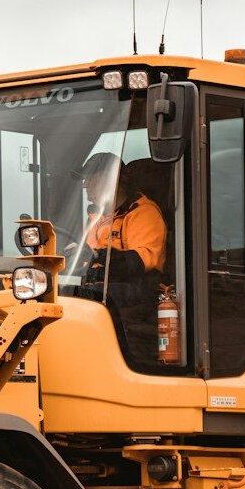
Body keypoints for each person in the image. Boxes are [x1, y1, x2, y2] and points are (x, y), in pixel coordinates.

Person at [74, 152, 168, 364]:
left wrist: (102, 258)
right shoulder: (97, 218)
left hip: (137, 295)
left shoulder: (143, 212)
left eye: (91, 177)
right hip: (102, 291)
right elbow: (86, 255)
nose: (86, 185)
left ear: (112, 178)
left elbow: (143, 260)